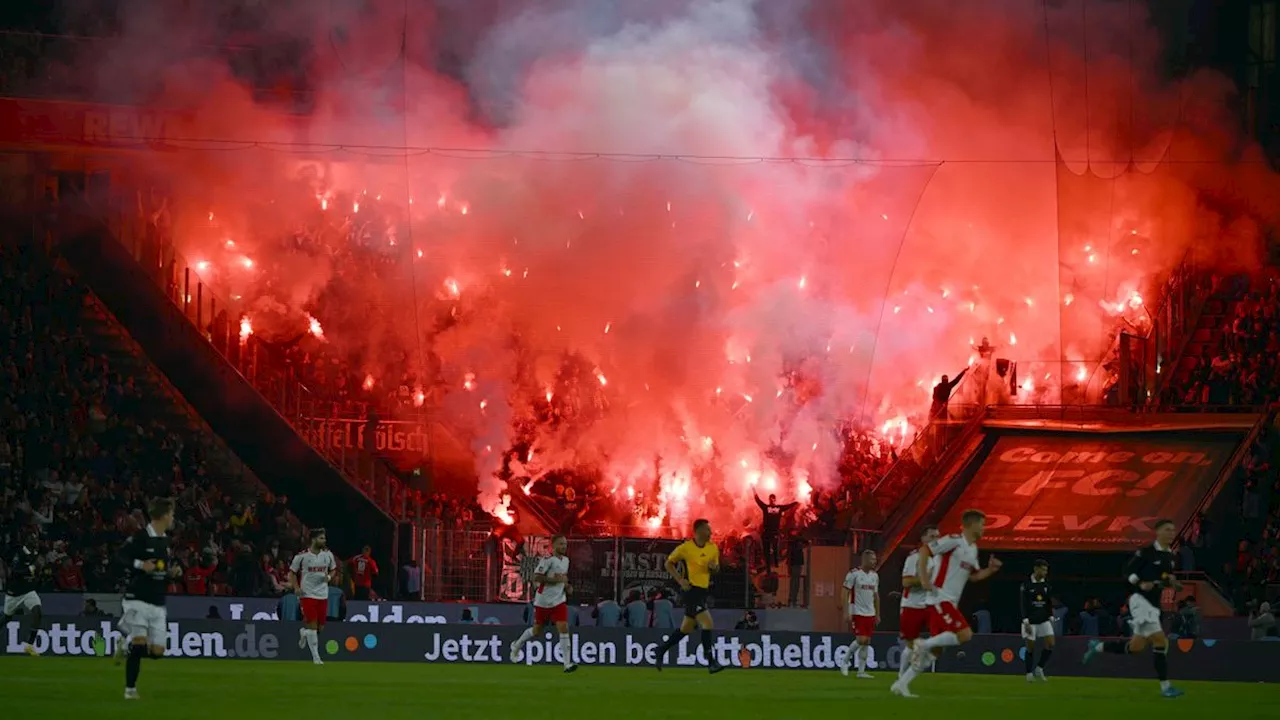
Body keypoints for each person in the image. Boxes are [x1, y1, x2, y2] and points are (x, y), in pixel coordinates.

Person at [892, 509, 1002, 698]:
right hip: (939, 598)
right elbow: (925, 550)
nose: (984, 528)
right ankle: (922, 644)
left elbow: (974, 577)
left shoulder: (972, 549)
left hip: (949, 601)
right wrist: (925, 579)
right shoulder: (953, 541)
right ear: (971, 525)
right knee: (965, 634)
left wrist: (990, 571)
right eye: (982, 524)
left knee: (936, 651)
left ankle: (901, 684)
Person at [1082, 518, 1185, 698]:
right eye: (1168, 530)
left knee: (1136, 647)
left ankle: (1098, 646)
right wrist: (1140, 582)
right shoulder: (1146, 552)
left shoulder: (1169, 556)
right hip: (1140, 601)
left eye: (1173, 530)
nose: (1171, 533)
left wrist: (1173, 583)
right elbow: (1127, 571)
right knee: (1161, 642)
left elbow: (1165, 577)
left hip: (1154, 604)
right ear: (1158, 532)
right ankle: (1166, 687)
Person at [116, 498, 181, 700]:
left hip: (157, 601)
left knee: (158, 651)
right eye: (171, 514)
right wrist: (140, 564)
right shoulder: (141, 537)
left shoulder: (166, 541)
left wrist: (171, 573)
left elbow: (160, 569)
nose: (173, 518)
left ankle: (125, 646)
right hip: (137, 598)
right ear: (162, 516)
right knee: (139, 644)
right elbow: (120, 556)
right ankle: (130, 690)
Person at [655, 519, 725, 673]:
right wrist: (680, 580)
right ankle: (711, 662)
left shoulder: (713, 548)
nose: (711, 533)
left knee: (685, 629)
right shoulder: (686, 548)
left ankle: (661, 650)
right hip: (691, 592)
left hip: (703, 592)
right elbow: (668, 563)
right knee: (707, 623)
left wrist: (714, 568)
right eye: (708, 530)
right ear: (699, 531)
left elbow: (717, 569)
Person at [509, 535, 577, 673]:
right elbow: (536, 577)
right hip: (543, 601)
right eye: (561, 544)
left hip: (559, 601)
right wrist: (554, 580)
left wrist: (567, 586)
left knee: (563, 628)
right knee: (537, 631)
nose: (564, 546)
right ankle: (517, 645)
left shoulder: (566, 561)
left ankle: (567, 664)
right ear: (553, 545)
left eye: (565, 544)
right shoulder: (547, 560)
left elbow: (562, 578)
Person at [898, 525, 940, 681]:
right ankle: (902, 676)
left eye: (937, 537)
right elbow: (906, 582)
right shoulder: (914, 558)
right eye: (932, 537)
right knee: (910, 645)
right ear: (923, 539)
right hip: (912, 605)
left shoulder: (938, 559)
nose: (936, 540)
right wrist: (925, 579)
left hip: (930, 605)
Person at [290, 528, 337, 665]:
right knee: (313, 626)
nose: (324, 540)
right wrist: (297, 587)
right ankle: (316, 657)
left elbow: (333, 569)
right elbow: (292, 573)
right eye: (321, 538)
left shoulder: (328, 555)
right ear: (313, 539)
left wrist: (328, 577)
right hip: (307, 594)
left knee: (320, 628)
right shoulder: (302, 556)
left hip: (323, 594)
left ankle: (304, 632)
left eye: (324, 538)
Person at [839, 549, 880, 679]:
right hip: (858, 611)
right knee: (861, 639)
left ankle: (861, 671)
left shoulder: (875, 576)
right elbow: (844, 592)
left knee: (867, 641)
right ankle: (845, 661)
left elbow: (876, 596)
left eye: (875, 559)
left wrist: (878, 613)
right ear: (865, 560)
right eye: (872, 559)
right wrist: (846, 611)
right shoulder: (854, 574)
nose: (874, 562)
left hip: (870, 612)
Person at [4, 535, 44, 656]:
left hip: (28, 590)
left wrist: (38, 571)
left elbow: (36, 570)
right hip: (14, 593)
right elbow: (14, 572)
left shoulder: (35, 553)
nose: (35, 542)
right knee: (7, 618)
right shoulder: (20, 553)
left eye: (36, 540)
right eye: (33, 540)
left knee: (38, 611)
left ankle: (29, 645)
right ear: (27, 542)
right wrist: (31, 569)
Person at [1020, 559, 1055, 682]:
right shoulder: (1026, 584)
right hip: (1030, 620)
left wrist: (1051, 616)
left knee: (1051, 643)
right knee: (1030, 646)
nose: (1045, 572)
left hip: (1044, 618)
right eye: (1043, 570)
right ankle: (1029, 673)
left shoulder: (1046, 584)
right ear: (1036, 569)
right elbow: (1023, 604)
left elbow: (1048, 602)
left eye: (1046, 570)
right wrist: (1026, 621)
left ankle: (1039, 668)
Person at [754, 493, 797, 569]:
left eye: (772, 498)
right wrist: (754, 491)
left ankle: (775, 565)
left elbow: (788, 506)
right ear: (769, 499)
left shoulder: (777, 508)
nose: (771, 500)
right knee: (767, 550)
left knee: (774, 549)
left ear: (775, 499)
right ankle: (769, 566)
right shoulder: (767, 507)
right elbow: (758, 501)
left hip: (773, 532)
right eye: (770, 498)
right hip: (767, 532)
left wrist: (796, 502)